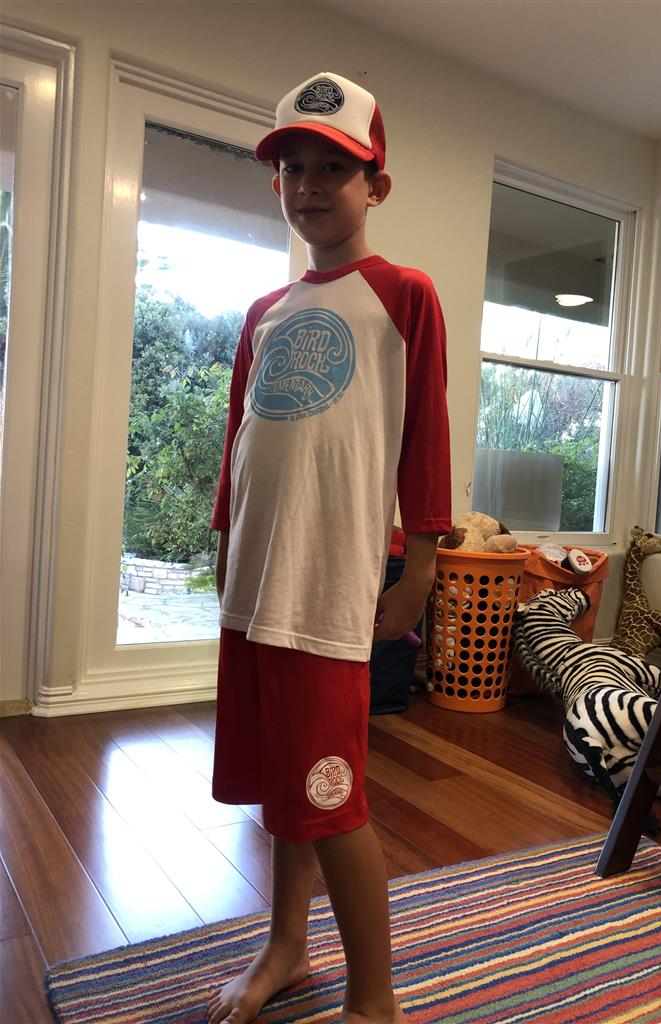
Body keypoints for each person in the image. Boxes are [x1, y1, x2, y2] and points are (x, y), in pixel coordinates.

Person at [206, 71, 452, 1024]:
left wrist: (421, 563)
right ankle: (286, 947)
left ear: (375, 184)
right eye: (292, 169)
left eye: (333, 169)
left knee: (331, 795)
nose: (308, 186)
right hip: (255, 583)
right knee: (285, 791)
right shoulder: (263, 313)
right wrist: (224, 540)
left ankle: (373, 1000)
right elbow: (240, 438)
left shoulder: (404, 295)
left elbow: (425, 437)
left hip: (328, 590)